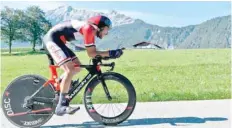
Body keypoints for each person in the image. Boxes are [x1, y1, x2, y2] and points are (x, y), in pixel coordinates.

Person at [43, 15, 123, 116]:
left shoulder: (90, 29)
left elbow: (93, 52)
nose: (106, 33)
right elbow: (91, 53)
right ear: (100, 27)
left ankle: (61, 86)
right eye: (106, 30)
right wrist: (110, 53)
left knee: (77, 67)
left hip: (58, 41)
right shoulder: (89, 29)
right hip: (52, 40)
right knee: (70, 70)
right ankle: (61, 106)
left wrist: (107, 54)